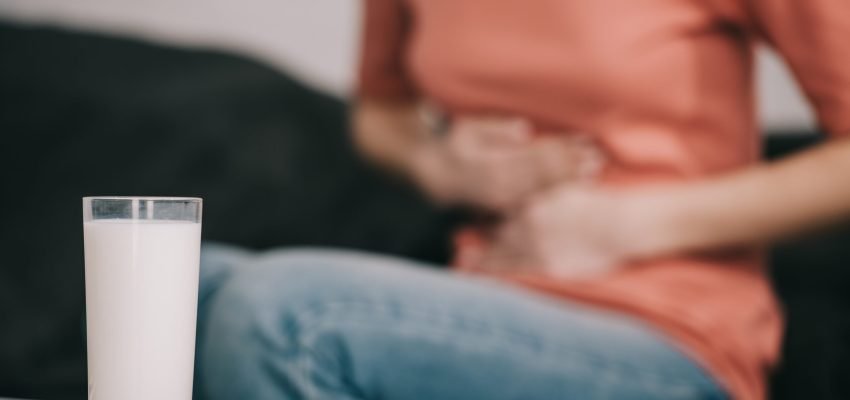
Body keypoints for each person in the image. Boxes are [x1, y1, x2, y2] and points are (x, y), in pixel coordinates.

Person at [195, 1, 850, 399]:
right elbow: (381, 109)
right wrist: (436, 163)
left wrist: (624, 227)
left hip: (664, 336)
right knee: (183, 282)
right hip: (486, 300)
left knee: (281, 318)